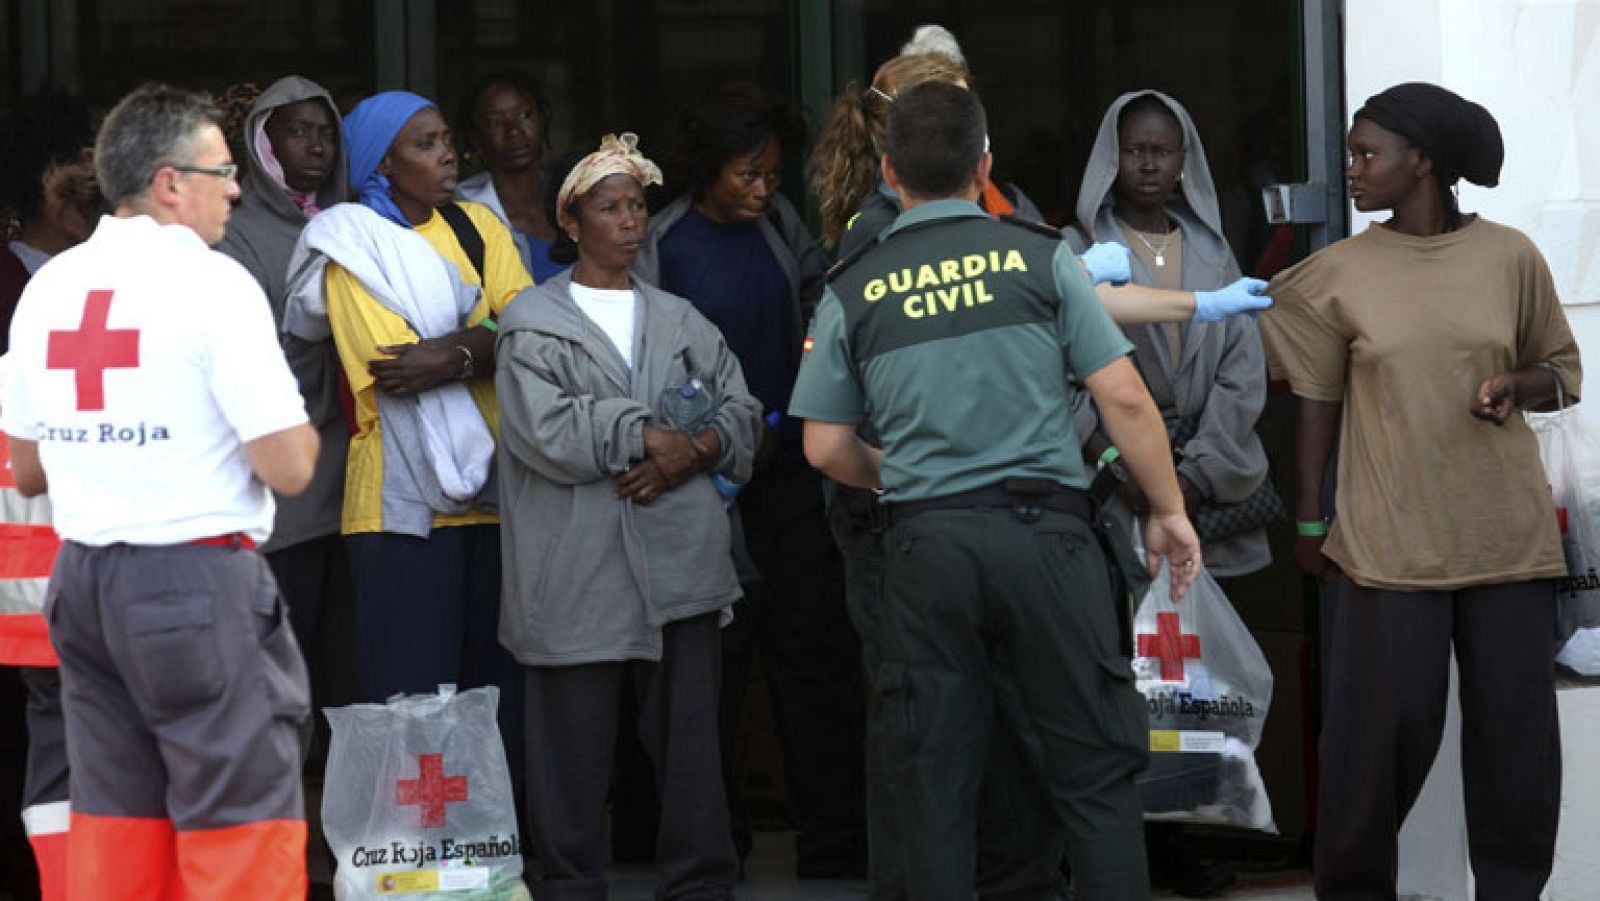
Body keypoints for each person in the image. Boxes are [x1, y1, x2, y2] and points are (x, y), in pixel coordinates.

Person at [792, 81, 1204, 901]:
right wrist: (1168, 509)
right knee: (1094, 772)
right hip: (1048, 543)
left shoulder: (853, 285)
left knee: (937, 781)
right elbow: (1122, 397)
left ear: (887, 173)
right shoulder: (1041, 255)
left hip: (926, 549)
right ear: (986, 164)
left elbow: (825, 446)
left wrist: (903, 477)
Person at [1260, 82, 1579, 899]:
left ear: (1423, 162)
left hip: (1505, 541)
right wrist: (1309, 517)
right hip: (1389, 546)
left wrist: (1517, 381)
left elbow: (1562, 373)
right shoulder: (1338, 273)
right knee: (1373, 751)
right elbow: (1315, 402)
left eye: (1369, 154)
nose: (1354, 170)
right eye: (1353, 153)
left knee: (1517, 749)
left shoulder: (1510, 257)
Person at [0, 82, 319, 899]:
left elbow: (29, 470)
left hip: (85, 589)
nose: (238, 187)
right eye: (220, 170)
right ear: (170, 183)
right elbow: (289, 465)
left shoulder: (49, 290)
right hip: (196, 582)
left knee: (117, 833)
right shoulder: (212, 285)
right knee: (239, 829)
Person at [495, 132, 761, 900]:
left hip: (681, 561)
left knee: (689, 743)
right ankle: (572, 882)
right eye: (608, 206)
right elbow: (541, 430)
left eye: (637, 204)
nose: (629, 220)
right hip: (575, 564)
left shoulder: (683, 319)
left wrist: (700, 446)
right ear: (570, 221)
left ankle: (700, 881)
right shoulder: (532, 322)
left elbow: (744, 411)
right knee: (572, 748)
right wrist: (644, 436)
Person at [633, 81, 866, 878]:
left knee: (816, 656)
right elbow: (650, 362)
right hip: (705, 485)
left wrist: (792, 411)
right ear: (705, 169)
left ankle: (834, 844)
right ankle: (715, 848)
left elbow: (818, 307)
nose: (764, 188)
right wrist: (721, 438)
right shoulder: (663, 243)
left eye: (772, 173)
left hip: (796, 475)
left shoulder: (778, 226)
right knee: (714, 672)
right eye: (748, 174)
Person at [283, 90, 531, 781]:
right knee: (412, 704)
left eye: (447, 138)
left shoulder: (480, 225)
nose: (447, 152)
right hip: (400, 508)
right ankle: (418, 873)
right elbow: (393, 367)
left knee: (494, 698)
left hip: (497, 496)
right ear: (383, 163)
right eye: (425, 144)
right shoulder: (349, 243)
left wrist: (450, 352)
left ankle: (489, 872)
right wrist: (482, 342)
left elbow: (532, 331)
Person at [1068, 89, 1274, 897]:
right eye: (1133, 150)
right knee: (1123, 678)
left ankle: (1190, 837)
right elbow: (1070, 381)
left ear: (1186, 160)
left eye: (1164, 150)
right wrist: (1135, 468)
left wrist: (1185, 481)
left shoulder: (1215, 256)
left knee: (1198, 683)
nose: (1148, 164)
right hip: (1115, 496)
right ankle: (1129, 846)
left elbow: (1241, 379)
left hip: (1201, 497)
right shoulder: (1076, 251)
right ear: (1107, 158)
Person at [215, 75, 361, 749]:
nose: (316, 146)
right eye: (298, 131)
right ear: (262, 141)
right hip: (290, 490)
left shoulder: (354, 222)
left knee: (347, 665)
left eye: (326, 131)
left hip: (360, 484)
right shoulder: (236, 233)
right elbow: (248, 357)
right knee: (286, 660)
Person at [0, 90, 96, 901]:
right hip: (28, 573)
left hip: (98, 572)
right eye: (81, 167)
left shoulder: (111, 284)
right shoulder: (15, 286)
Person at [455, 70, 569, 283]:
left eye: (525, 115)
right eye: (494, 123)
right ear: (475, 138)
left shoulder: (574, 202)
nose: (514, 131)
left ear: (543, 121)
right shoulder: (465, 220)